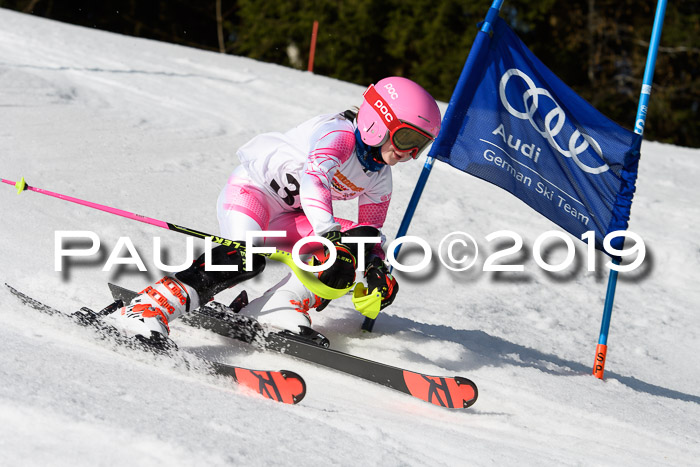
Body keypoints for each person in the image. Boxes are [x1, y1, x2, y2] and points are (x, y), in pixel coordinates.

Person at [105, 76, 442, 345]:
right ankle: (144, 310)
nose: (410, 153)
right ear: (377, 121)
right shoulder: (339, 134)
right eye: (406, 138)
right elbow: (314, 181)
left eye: (420, 145)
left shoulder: (379, 177)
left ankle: (275, 309)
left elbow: (369, 234)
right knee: (245, 257)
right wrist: (329, 236)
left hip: (292, 218)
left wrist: (376, 273)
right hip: (252, 195)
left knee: (356, 249)